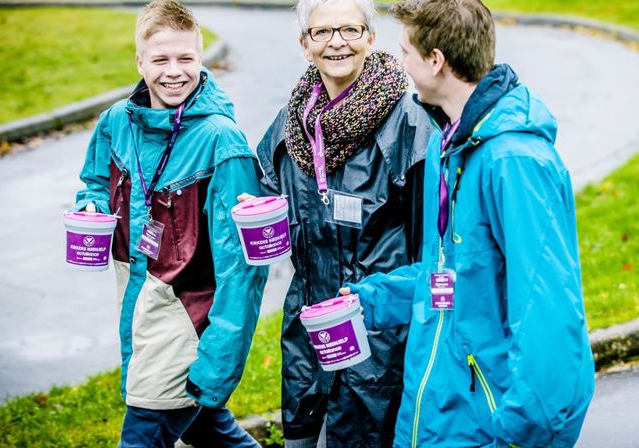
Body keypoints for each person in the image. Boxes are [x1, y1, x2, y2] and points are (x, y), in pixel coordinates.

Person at [340, 0, 596, 446]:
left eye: (405, 51)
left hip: (491, 425)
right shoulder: (448, 143)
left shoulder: (514, 160)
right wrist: (369, 301)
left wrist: (522, 433)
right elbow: (457, 276)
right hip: (435, 413)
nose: (398, 63)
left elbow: (548, 311)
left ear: (435, 60)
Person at [74, 0, 266, 446]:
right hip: (139, 306)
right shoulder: (115, 122)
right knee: (209, 430)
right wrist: (90, 206)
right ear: (140, 61)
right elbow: (94, 182)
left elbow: (244, 266)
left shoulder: (222, 141)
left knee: (143, 433)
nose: (174, 71)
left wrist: (219, 357)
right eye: (160, 59)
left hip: (188, 322)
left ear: (202, 58)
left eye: (186, 58)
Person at [245, 0, 432, 445]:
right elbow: (267, 197)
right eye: (322, 32)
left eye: (349, 29)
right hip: (308, 331)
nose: (336, 43)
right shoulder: (291, 126)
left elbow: (432, 250)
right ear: (305, 45)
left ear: (370, 37)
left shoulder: (407, 124)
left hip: (381, 336)